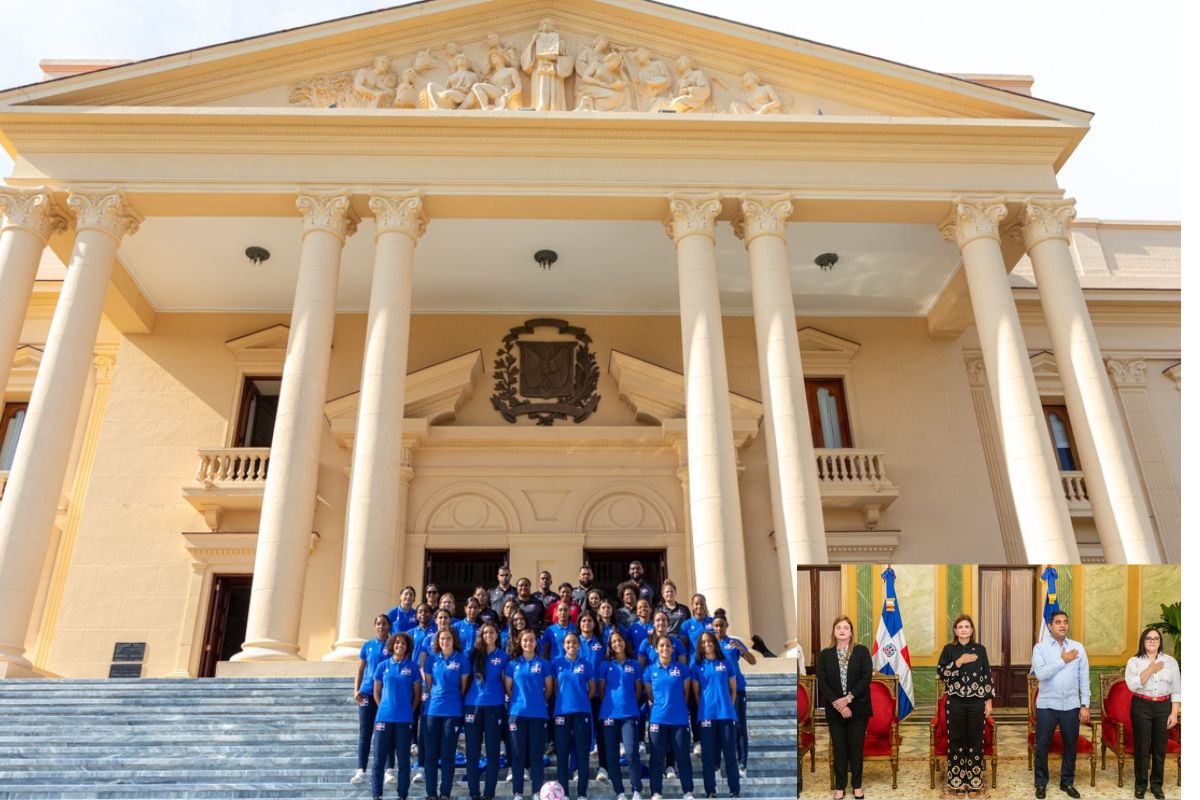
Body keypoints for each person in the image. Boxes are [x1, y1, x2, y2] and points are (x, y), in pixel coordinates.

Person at [1031, 610, 1089, 799]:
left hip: (1071, 705)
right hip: (1047, 704)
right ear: (1050, 626)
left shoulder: (1078, 648)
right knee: (1042, 746)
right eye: (1058, 622)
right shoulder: (1040, 648)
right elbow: (1041, 674)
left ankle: (1067, 783)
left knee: (1070, 745)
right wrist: (1062, 660)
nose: (1063, 625)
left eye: (1065, 621)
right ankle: (1041, 783)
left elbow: (1084, 678)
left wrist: (1084, 704)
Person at [936, 614, 993, 798]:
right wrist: (959, 662)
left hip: (977, 703)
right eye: (960, 626)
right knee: (957, 742)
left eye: (967, 626)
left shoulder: (980, 649)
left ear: (971, 630)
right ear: (955, 630)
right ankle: (958, 783)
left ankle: (974, 782)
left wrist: (988, 699)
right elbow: (942, 673)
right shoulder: (948, 650)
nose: (963, 629)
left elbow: (987, 675)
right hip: (955, 703)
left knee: (976, 741)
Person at [817, 616, 872, 800]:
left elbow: (866, 678)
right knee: (839, 750)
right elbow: (822, 682)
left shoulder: (861, 651)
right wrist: (839, 705)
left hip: (858, 708)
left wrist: (847, 699)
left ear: (851, 632)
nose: (842, 630)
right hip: (835, 710)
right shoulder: (825, 654)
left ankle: (857, 786)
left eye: (845, 627)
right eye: (838, 627)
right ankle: (840, 786)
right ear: (833, 631)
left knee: (856, 748)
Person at [1124, 626, 1180, 799]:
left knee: (1159, 748)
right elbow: (1132, 685)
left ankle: (1156, 785)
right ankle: (1140, 785)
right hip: (1142, 705)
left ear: (1160, 642)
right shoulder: (1134, 662)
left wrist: (1174, 712)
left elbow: (1177, 688)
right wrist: (1151, 669)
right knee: (1141, 747)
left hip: (1163, 707)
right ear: (1143, 641)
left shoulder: (1171, 662)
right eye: (1149, 638)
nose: (1152, 641)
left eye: (1156, 639)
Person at [644, 635, 695, 800]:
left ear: (672, 649)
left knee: (683, 757)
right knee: (657, 758)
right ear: (656, 649)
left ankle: (688, 791)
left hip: (679, 719)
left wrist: (678, 707)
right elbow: (650, 695)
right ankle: (656, 792)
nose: (665, 649)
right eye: (661, 646)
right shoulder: (650, 670)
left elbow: (686, 693)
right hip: (658, 719)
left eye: (668, 646)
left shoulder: (682, 669)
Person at [372, 631, 421, 800]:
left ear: (408, 647)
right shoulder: (382, 666)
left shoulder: (413, 667)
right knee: (378, 760)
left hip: (404, 719)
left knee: (404, 761)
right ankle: (376, 794)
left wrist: (409, 710)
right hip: (383, 718)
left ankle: (402, 795)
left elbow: (417, 693)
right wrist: (384, 708)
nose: (400, 646)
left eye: (403, 644)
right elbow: (376, 691)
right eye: (397, 643)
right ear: (392, 645)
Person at [505, 628, 553, 800]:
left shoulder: (544, 664)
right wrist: (520, 702)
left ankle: (536, 792)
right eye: (525, 640)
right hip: (517, 714)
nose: (528, 643)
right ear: (520, 642)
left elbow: (549, 689)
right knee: (518, 755)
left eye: (531, 639)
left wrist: (537, 701)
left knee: (536, 756)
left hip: (538, 714)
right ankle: (518, 792)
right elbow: (509, 689)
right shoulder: (512, 664)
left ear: (536, 642)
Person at [692, 631, 741, 799]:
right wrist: (706, 709)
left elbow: (733, 689)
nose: (707, 644)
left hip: (726, 715)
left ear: (714, 642)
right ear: (700, 645)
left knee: (730, 755)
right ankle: (710, 791)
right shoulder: (697, 666)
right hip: (706, 716)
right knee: (709, 756)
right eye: (704, 642)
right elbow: (696, 693)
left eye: (709, 641)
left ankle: (734, 791)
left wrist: (728, 705)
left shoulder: (726, 663)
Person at [422, 627, 469, 799]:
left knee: (448, 755)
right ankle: (431, 793)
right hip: (432, 711)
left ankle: (445, 793)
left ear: (454, 640)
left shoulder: (462, 660)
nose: (445, 641)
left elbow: (463, 686)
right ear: (438, 641)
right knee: (430, 755)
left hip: (453, 711)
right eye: (442, 638)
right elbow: (429, 685)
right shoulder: (431, 660)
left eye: (448, 638)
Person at [465, 622, 508, 800]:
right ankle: (474, 793)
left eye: (492, 632)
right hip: (472, 706)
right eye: (485, 632)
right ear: (481, 635)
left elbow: (507, 682)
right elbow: (464, 680)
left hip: (495, 706)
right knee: (472, 753)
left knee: (492, 753)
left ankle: (489, 794)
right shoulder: (472, 655)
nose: (488, 635)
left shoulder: (504, 656)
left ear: (497, 635)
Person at [600, 628, 644, 800]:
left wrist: (628, 703)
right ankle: (619, 791)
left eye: (620, 640)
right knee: (611, 755)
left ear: (625, 643)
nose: (618, 644)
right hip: (609, 714)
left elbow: (638, 690)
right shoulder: (605, 665)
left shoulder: (634, 665)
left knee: (631, 752)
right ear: (610, 645)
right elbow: (602, 690)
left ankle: (636, 790)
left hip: (629, 714)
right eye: (614, 642)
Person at [553, 631, 596, 799]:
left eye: (574, 643)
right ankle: (563, 793)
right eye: (568, 643)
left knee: (582, 753)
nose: (571, 645)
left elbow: (592, 689)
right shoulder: (556, 664)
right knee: (562, 754)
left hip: (581, 712)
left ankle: (582, 793)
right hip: (561, 713)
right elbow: (554, 688)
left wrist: (581, 701)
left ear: (579, 645)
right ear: (564, 645)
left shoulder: (586, 664)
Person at [712, 611, 754, 778]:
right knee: (717, 729)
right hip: (718, 693)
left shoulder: (734, 643)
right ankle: (716, 767)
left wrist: (742, 648)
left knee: (739, 727)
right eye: (716, 625)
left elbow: (752, 661)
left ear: (726, 626)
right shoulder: (709, 644)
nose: (719, 628)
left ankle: (742, 765)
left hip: (738, 690)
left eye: (722, 625)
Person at [353, 614, 394, 786]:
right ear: (374, 626)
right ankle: (361, 770)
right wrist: (356, 689)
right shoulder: (367, 646)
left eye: (384, 624)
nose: (381, 627)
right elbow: (360, 670)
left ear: (389, 626)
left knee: (387, 732)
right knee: (365, 732)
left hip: (387, 694)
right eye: (378, 624)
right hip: (367, 693)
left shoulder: (394, 644)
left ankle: (389, 770)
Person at [577, 611, 610, 783]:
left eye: (590, 620)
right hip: (578, 696)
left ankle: (603, 767)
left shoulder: (602, 642)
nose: (587, 623)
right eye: (583, 621)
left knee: (602, 734)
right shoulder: (574, 641)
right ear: (579, 624)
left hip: (598, 694)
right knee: (580, 734)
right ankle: (577, 769)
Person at [542, 596, 578, 661]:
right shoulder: (550, 630)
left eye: (565, 610)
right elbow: (545, 652)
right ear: (556, 613)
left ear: (570, 612)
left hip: (574, 666)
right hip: (555, 666)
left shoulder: (576, 629)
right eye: (560, 610)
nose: (563, 612)